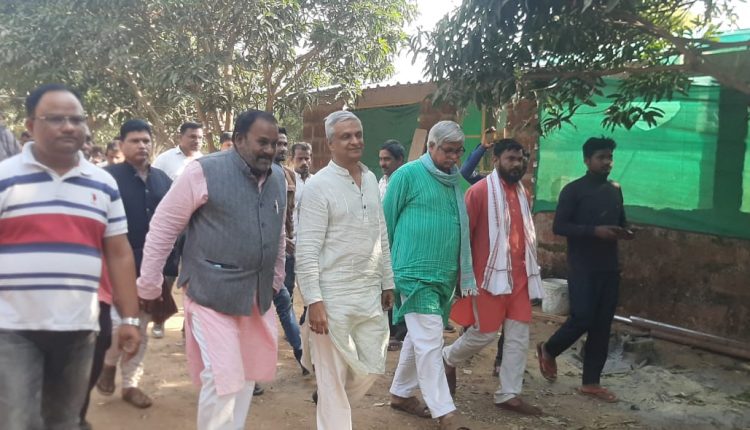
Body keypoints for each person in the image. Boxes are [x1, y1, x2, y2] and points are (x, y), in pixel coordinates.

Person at [0, 83, 140, 430]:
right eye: (56, 119)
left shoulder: (103, 184)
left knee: (65, 420)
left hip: (80, 328)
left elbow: (119, 254)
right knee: (18, 420)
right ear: (30, 125)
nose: (68, 127)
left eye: (76, 119)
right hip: (12, 328)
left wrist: (129, 319)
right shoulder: (5, 177)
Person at [137, 109, 286, 429]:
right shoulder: (202, 171)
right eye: (262, 142)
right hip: (210, 293)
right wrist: (149, 284)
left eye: (274, 144)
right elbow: (164, 226)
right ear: (239, 139)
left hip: (256, 296)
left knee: (246, 374)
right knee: (222, 377)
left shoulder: (277, 178)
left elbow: (278, 231)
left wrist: (276, 277)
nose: (270, 150)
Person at [296, 111, 394, 430]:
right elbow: (307, 249)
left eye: (358, 134)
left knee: (371, 367)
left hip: (368, 292)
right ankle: (332, 410)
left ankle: (330, 400)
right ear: (330, 143)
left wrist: (387, 280)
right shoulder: (318, 186)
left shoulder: (370, 179)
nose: (355, 141)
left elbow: (380, 233)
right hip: (331, 298)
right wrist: (314, 301)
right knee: (333, 379)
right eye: (345, 136)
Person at [385, 120, 476, 429]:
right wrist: (384, 273)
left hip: (444, 275)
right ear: (431, 146)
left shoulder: (455, 181)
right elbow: (386, 223)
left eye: (458, 151)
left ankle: (400, 393)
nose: (454, 157)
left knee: (419, 337)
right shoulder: (407, 175)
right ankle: (444, 410)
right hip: (413, 272)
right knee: (430, 338)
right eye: (448, 151)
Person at [443, 139, 544, 415]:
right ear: (496, 160)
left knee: (518, 335)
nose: (517, 164)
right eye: (511, 158)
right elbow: (463, 236)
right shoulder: (478, 192)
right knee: (485, 333)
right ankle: (447, 357)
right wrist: (461, 276)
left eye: (521, 159)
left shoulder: (524, 193)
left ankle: (509, 393)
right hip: (488, 277)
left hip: (520, 278)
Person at [537, 137, 633, 403]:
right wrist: (594, 231)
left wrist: (626, 231)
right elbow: (560, 226)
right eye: (601, 157)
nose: (607, 162)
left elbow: (621, 220)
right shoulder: (573, 190)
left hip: (609, 266)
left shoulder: (615, 189)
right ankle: (549, 349)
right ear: (587, 160)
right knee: (582, 317)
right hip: (583, 266)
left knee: (602, 325)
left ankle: (591, 382)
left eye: (610, 157)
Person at [95, 119, 175, 409]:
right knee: (117, 325)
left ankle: (130, 384)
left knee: (140, 328)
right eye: (135, 140)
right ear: (121, 144)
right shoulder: (106, 178)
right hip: (112, 267)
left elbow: (176, 224)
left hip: (152, 269)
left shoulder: (163, 180)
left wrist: (170, 268)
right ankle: (107, 363)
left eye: (146, 140)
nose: (142, 145)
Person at [270, 126, 306, 376]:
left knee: (285, 300)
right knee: (277, 303)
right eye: (277, 143)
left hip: (284, 251)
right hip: (260, 255)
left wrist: (288, 240)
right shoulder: (256, 174)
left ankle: (301, 355)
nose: (281, 148)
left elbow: (289, 215)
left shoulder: (289, 175)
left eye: (284, 144)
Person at [378, 139, 407, 351]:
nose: (383, 163)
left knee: (398, 286)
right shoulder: (381, 183)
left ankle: (400, 331)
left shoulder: (405, 181)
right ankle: (390, 330)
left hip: (400, 243)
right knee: (385, 285)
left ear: (400, 160)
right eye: (381, 159)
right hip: (382, 242)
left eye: (387, 159)